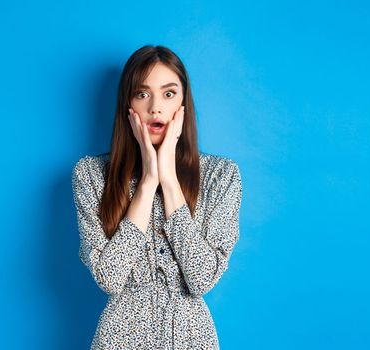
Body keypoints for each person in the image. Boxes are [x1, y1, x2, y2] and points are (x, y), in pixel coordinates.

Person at [71, 44, 243, 349]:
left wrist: (168, 177)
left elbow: (201, 279)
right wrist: (149, 181)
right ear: (128, 104)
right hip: (119, 340)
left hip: (192, 339)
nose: (155, 108)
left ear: (183, 103)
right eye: (142, 94)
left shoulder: (221, 176)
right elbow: (110, 278)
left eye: (168, 93)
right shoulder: (91, 175)